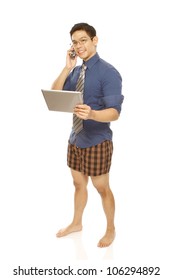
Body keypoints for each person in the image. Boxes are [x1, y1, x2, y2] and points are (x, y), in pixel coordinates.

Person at [51, 23, 124, 248]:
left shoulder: (109, 73)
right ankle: (76, 223)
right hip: (76, 138)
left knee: (101, 187)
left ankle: (111, 228)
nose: (79, 45)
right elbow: (55, 95)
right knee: (78, 184)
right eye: (74, 41)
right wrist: (67, 67)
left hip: (97, 141)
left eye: (83, 40)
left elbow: (115, 113)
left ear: (95, 40)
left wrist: (92, 113)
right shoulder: (75, 71)